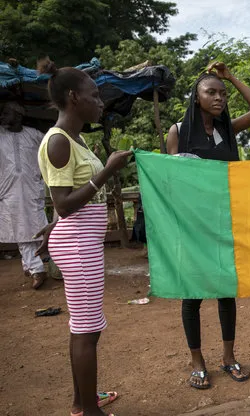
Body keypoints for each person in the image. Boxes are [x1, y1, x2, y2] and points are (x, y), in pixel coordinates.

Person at [35, 57, 131, 416]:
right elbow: (63, 205)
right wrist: (107, 171)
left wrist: (55, 228)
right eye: (95, 95)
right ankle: (89, 411)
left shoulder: (74, 139)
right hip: (78, 246)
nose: (101, 102)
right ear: (74, 97)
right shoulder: (59, 141)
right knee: (88, 331)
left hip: (79, 241)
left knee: (84, 328)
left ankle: (83, 400)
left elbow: (65, 203)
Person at [166, 61, 250, 388]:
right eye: (211, 91)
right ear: (196, 97)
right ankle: (197, 362)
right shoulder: (178, 132)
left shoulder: (226, 129)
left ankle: (228, 357)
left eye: (222, 93)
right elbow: (171, 182)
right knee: (192, 295)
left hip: (224, 222)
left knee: (226, 292)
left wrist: (230, 77)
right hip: (192, 228)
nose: (219, 97)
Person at [0, 102, 49, 289]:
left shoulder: (34, 135)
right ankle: (37, 269)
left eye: (6, 113)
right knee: (21, 230)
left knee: (37, 227)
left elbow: (49, 150)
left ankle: (29, 264)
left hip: (32, 189)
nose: (2, 116)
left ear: (18, 115)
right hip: (8, 190)